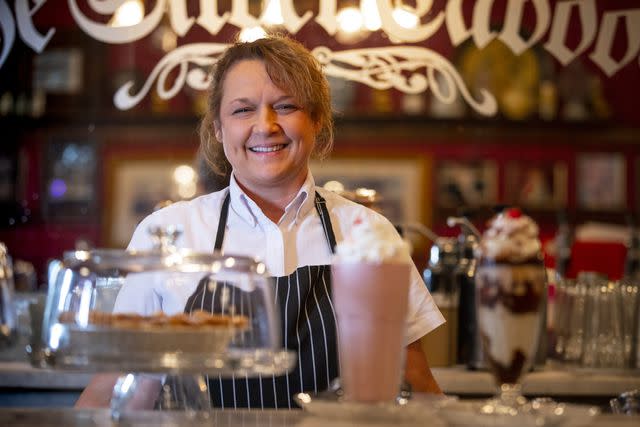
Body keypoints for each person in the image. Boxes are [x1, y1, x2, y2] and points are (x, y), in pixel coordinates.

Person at [76, 33, 444, 409]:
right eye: (242, 110)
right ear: (218, 128)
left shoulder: (368, 233)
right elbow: (123, 384)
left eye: (285, 106)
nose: (265, 125)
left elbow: (414, 382)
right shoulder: (168, 232)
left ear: (316, 120)